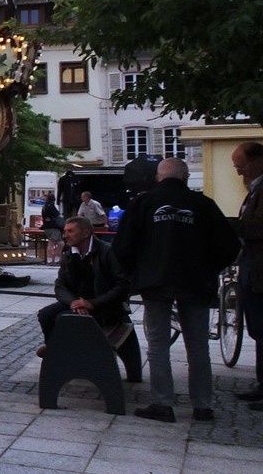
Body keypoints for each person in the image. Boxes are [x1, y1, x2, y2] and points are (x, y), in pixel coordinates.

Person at [112, 157, 240, 422]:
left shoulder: (143, 204)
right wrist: (209, 269)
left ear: (159, 177)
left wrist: (138, 272)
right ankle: (203, 406)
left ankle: (162, 403)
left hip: (155, 282)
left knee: (157, 345)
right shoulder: (203, 205)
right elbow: (229, 247)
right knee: (198, 346)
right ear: (185, 178)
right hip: (195, 283)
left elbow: (122, 248)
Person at [36, 217, 136, 371]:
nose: (65, 235)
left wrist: (92, 303)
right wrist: (74, 302)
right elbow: (60, 286)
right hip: (79, 303)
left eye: (70, 231)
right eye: (64, 231)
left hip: (106, 307)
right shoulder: (69, 253)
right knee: (45, 315)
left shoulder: (107, 251)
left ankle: (62, 352)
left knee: (64, 319)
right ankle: (55, 350)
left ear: (85, 233)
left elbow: (123, 286)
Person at [231, 141, 263, 406]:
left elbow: (257, 227)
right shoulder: (254, 189)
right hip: (253, 270)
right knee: (258, 330)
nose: (240, 173)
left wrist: (236, 226)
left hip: (260, 271)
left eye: (241, 167)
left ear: (256, 161)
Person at [40, 191, 64, 263]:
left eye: (45, 196)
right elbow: (57, 216)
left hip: (48, 227)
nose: (43, 197)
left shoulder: (45, 206)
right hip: (53, 227)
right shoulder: (50, 206)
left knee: (56, 242)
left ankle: (52, 258)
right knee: (55, 242)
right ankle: (53, 259)